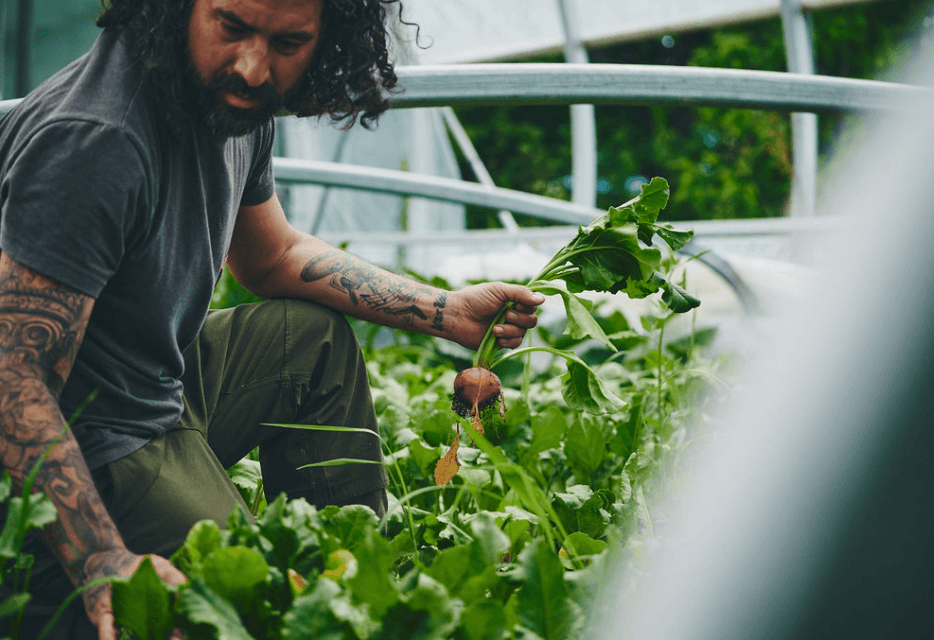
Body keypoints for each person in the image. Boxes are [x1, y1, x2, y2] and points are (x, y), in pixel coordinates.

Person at [0, 0, 545, 637]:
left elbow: (273, 256)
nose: (255, 68)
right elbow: (11, 378)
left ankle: (351, 579)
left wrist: (444, 310)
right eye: (231, 27)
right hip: (87, 435)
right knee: (249, 601)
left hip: (156, 382)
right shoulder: (97, 141)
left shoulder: (228, 106)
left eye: (288, 42)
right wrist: (102, 560)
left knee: (306, 341)